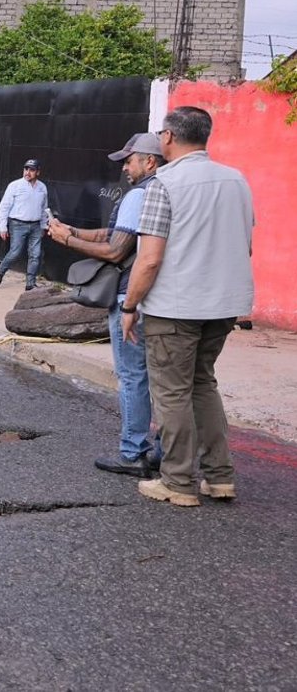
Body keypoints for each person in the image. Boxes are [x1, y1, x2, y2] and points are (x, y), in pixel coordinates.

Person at [121, 106, 254, 507]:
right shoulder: (237, 181)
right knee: (203, 384)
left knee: (172, 393)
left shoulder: (165, 183)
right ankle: (220, 477)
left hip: (176, 307)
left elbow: (149, 258)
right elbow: (244, 244)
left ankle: (177, 481)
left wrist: (130, 305)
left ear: (169, 138)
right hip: (224, 305)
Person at [48, 132, 165, 478]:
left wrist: (67, 240)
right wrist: (74, 230)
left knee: (132, 375)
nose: (125, 167)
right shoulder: (162, 193)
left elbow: (116, 250)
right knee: (163, 379)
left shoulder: (140, 195)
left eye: (129, 160)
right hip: (160, 299)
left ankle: (134, 452)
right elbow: (113, 233)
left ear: (150, 161)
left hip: (130, 295)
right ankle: (163, 449)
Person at [0, 159, 50, 290]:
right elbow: (4, 207)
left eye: (31, 170)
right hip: (18, 224)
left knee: (35, 254)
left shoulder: (42, 187)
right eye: (26, 169)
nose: (28, 172)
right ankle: (1, 271)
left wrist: (43, 225)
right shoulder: (15, 186)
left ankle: (30, 284)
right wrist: (2, 226)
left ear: (38, 172)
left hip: (36, 225)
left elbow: (44, 208)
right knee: (15, 252)